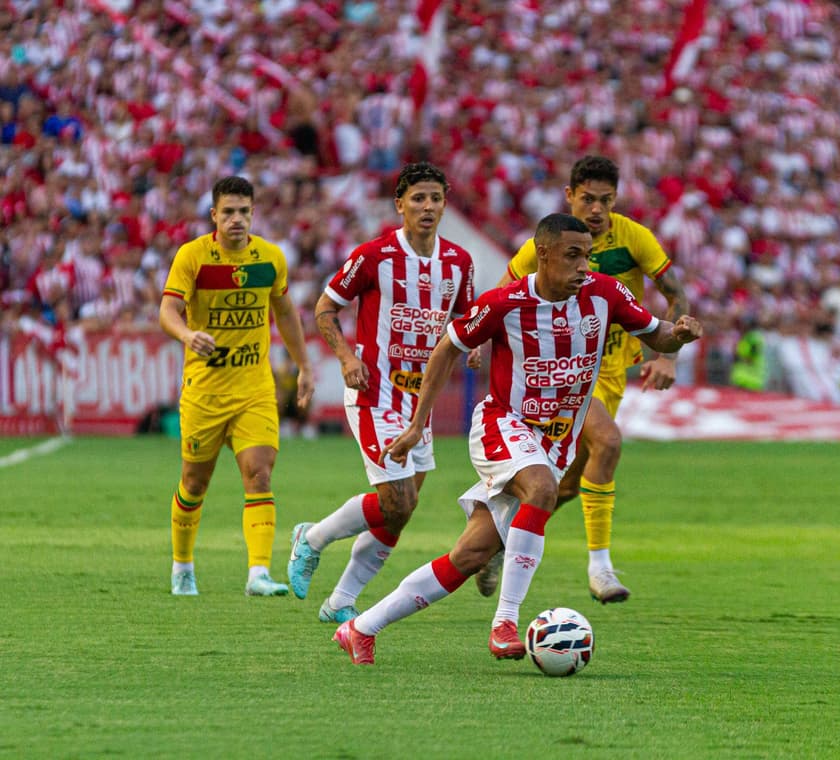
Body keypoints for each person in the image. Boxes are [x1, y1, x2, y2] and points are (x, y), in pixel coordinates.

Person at [332, 213, 702, 665]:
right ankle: (506, 621)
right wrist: (416, 425)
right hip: (502, 426)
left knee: (469, 555)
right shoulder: (505, 303)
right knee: (543, 489)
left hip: (553, 443)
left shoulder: (605, 294)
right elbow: (447, 347)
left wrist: (678, 334)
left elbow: (658, 335)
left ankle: (360, 628)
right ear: (542, 255)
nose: (584, 266)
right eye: (572, 256)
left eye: (587, 255)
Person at [477, 155, 690, 604]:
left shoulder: (634, 238)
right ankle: (601, 568)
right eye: (588, 198)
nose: (596, 209)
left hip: (607, 373)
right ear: (569, 195)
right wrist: (480, 340)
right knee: (608, 443)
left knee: (568, 485)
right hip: (557, 377)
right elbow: (502, 293)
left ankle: (494, 542)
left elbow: (676, 294)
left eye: (606, 200)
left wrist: (666, 357)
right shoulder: (548, 243)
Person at [287, 162, 477, 623]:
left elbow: (467, 320)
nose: (427, 207)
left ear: (444, 203)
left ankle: (340, 602)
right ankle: (312, 538)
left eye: (435, 198)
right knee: (398, 501)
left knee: (400, 512)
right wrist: (349, 359)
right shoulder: (374, 256)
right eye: (417, 198)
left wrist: (473, 346)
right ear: (400, 205)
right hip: (376, 395)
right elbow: (325, 308)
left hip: (421, 404)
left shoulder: (459, 262)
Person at [159, 175, 314, 597]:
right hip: (205, 391)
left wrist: (304, 366)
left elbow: (285, 313)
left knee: (259, 475)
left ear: (253, 214)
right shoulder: (192, 257)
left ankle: (258, 573)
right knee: (194, 483)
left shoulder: (270, 259)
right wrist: (188, 336)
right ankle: (183, 566)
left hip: (254, 388)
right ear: (214, 215)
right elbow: (168, 310)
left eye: (244, 211)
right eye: (228, 211)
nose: (236, 219)